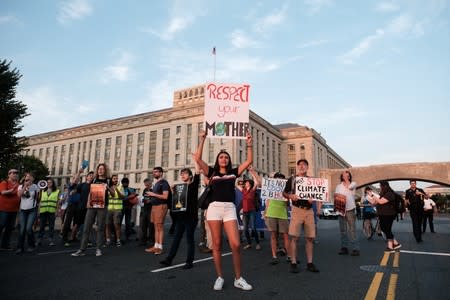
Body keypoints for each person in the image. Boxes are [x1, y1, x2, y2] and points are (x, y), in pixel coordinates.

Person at [194, 129, 253, 291]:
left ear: (229, 160)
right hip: (214, 208)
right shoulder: (211, 172)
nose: (224, 159)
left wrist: (249, 144)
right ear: (217, 160)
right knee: (217, 244)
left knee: (235, 244)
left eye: (226, 157)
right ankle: (220, 277)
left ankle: (238, 278)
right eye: (221, 157)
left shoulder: (234, 173)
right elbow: (198, 159)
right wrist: (202, 138)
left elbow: (248, 161)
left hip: (229, 209)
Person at [283, 159, 320, 273]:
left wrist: (313, 199)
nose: (302, 166)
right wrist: (291, 196)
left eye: (304, 165)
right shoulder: (293, 179)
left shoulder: (311, 180)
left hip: (309, 211)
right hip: (297, 210)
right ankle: (293, 262)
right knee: (294, 237)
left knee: (310, 238)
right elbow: (284, 192)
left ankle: (310, 263)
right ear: (297, 167)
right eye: (300, 165)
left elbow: (318, 195)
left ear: (307, 167)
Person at [159, 164, 200, 269]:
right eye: (181, 174)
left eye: (185, 173)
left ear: (190, 176)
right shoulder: (180, 188)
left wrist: (196, 160)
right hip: (181, 218)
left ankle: (189, 262)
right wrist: (173, 191)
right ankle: (169, 260)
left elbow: (197, 173)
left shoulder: (193, 185)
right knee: (176, 239)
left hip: (191, 218)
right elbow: (177, 203)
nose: (182, 175)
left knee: (189, 240)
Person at [72, 163, 114, 257]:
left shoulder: (108, 180)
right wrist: (87, 203)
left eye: (102, 169)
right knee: (86, 227)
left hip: (102, 206)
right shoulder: (93, 179)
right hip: (92, 206)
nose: (100, 170)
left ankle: (98, 249)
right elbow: (90, 192)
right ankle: (82, 249)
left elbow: (113, 194)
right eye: (99, 169)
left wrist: (107, 187)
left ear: (105, 170)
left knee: (100, 228)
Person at [367, 181, 401, 252]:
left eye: (381, 186)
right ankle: (395, 243)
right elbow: (377, 202)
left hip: (389, 214)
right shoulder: (383, 194)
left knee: (387, 229)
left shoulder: (390, 194)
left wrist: (373, 195)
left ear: (384, 186)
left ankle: (390, 247)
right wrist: (372, 201)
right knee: (384, 228)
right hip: (383, 214)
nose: (380, 187)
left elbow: (381, 202)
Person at [264, 172, 289, 265]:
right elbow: (268, 200)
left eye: (281, 179)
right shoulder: (270, 188)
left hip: (282, 213)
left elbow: (287, 203)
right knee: (273, 236)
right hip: (271, 213)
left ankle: (289, 256)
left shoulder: (286, 189)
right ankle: (274, 256)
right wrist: (265, 213)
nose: (279, 181)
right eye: (277, 179)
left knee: (285, 235)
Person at [145, 166, 171, 255]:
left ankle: (160, 248)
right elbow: (157, 195)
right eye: (153, 172)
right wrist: (150, 199)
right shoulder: (156, 183)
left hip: (161, 206)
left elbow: (165, 196)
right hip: (154, 206)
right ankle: (156, 246)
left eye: (156, 172)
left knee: (159, 226)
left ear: (161, 173)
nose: (154, 173)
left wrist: (153, 194)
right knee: (156, 227)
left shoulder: (164, 183)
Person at [334, 170, 360, 256]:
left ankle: (355, 248)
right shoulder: (338, 186)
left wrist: (346, 180)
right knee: (343, 230)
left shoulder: (353, 183)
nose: (345, 175)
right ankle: (344, 247)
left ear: (349, 176)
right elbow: (336, 196)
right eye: (344, 174)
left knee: (352, 229)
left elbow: (349, 188)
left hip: (350, 209)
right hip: (341, 209)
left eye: (347, 174)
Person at [236, 166, 261, 251]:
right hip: (245, 212)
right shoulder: (243, 191)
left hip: (251, 211)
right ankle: (249, 243)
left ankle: (257, 243)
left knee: (253, 228)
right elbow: (236, 185)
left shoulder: (252, 190)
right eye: (245, 182)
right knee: (245, 229)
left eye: (246, 182)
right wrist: (237, 175)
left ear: (249, 184)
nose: (245, 183)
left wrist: (252, 172)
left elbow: (256, 182)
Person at [16, 172, 40, 254]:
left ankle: (31, 245)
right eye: (27, 177)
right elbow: (19, 195)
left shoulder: (35, 187)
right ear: (25, 178)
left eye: (30, 177)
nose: (28, 178)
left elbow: (37, 198)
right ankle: (20, 247)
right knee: (22, 229)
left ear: (33, 179)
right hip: (23, 210)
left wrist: (38, 210)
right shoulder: (20, 186)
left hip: (32, 210)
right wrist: (25, 186)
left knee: (29, 228)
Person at [0, 169, 20, 250]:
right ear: (9, 175)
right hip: (3, 209)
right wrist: (12, 190)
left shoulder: (19, 184)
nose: (15, 174)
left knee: (9, 228)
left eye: (16, 173)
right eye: (13, 173)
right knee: (1, 226)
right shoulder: (4, 182)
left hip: (14, 210)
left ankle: (5, 245)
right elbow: (3, 192)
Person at [37, 178, 60, 247]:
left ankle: (51, 240)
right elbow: (39, 201)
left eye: (50, 182)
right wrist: (38, 211)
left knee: (51, 226)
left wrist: (57, 211)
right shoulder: (42, 191)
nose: (49, 183)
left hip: (52, 211)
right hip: (43, 210)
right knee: (41, 226)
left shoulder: (57, 191)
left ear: (53, 183)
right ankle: (39, 240)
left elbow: (58, 202)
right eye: (48, 182)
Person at [105, 174, 123, 247]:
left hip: (117, 209)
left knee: (116, 225)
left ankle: (118, 240)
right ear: (111, 180)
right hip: (109, 209)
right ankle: (108, 240)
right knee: (107, 225)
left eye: (116, 178)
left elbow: (122, 196)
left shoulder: (120, 187)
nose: (115, 180)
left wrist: (117, 190)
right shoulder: (108, 187)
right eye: (114, 178)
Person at [138, 178, 155, 247]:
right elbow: (144, 198)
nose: (146, 186)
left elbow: (156, 198)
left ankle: (151, 241)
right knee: (143, 226)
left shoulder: (154, 190)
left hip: (151, 209)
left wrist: (150, 201)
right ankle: (143, 241)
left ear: (150, 183)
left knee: (151, 226)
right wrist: (142, 200)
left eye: (147, 185)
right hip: (144, 209)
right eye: (145, 185)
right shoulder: (145, 190)